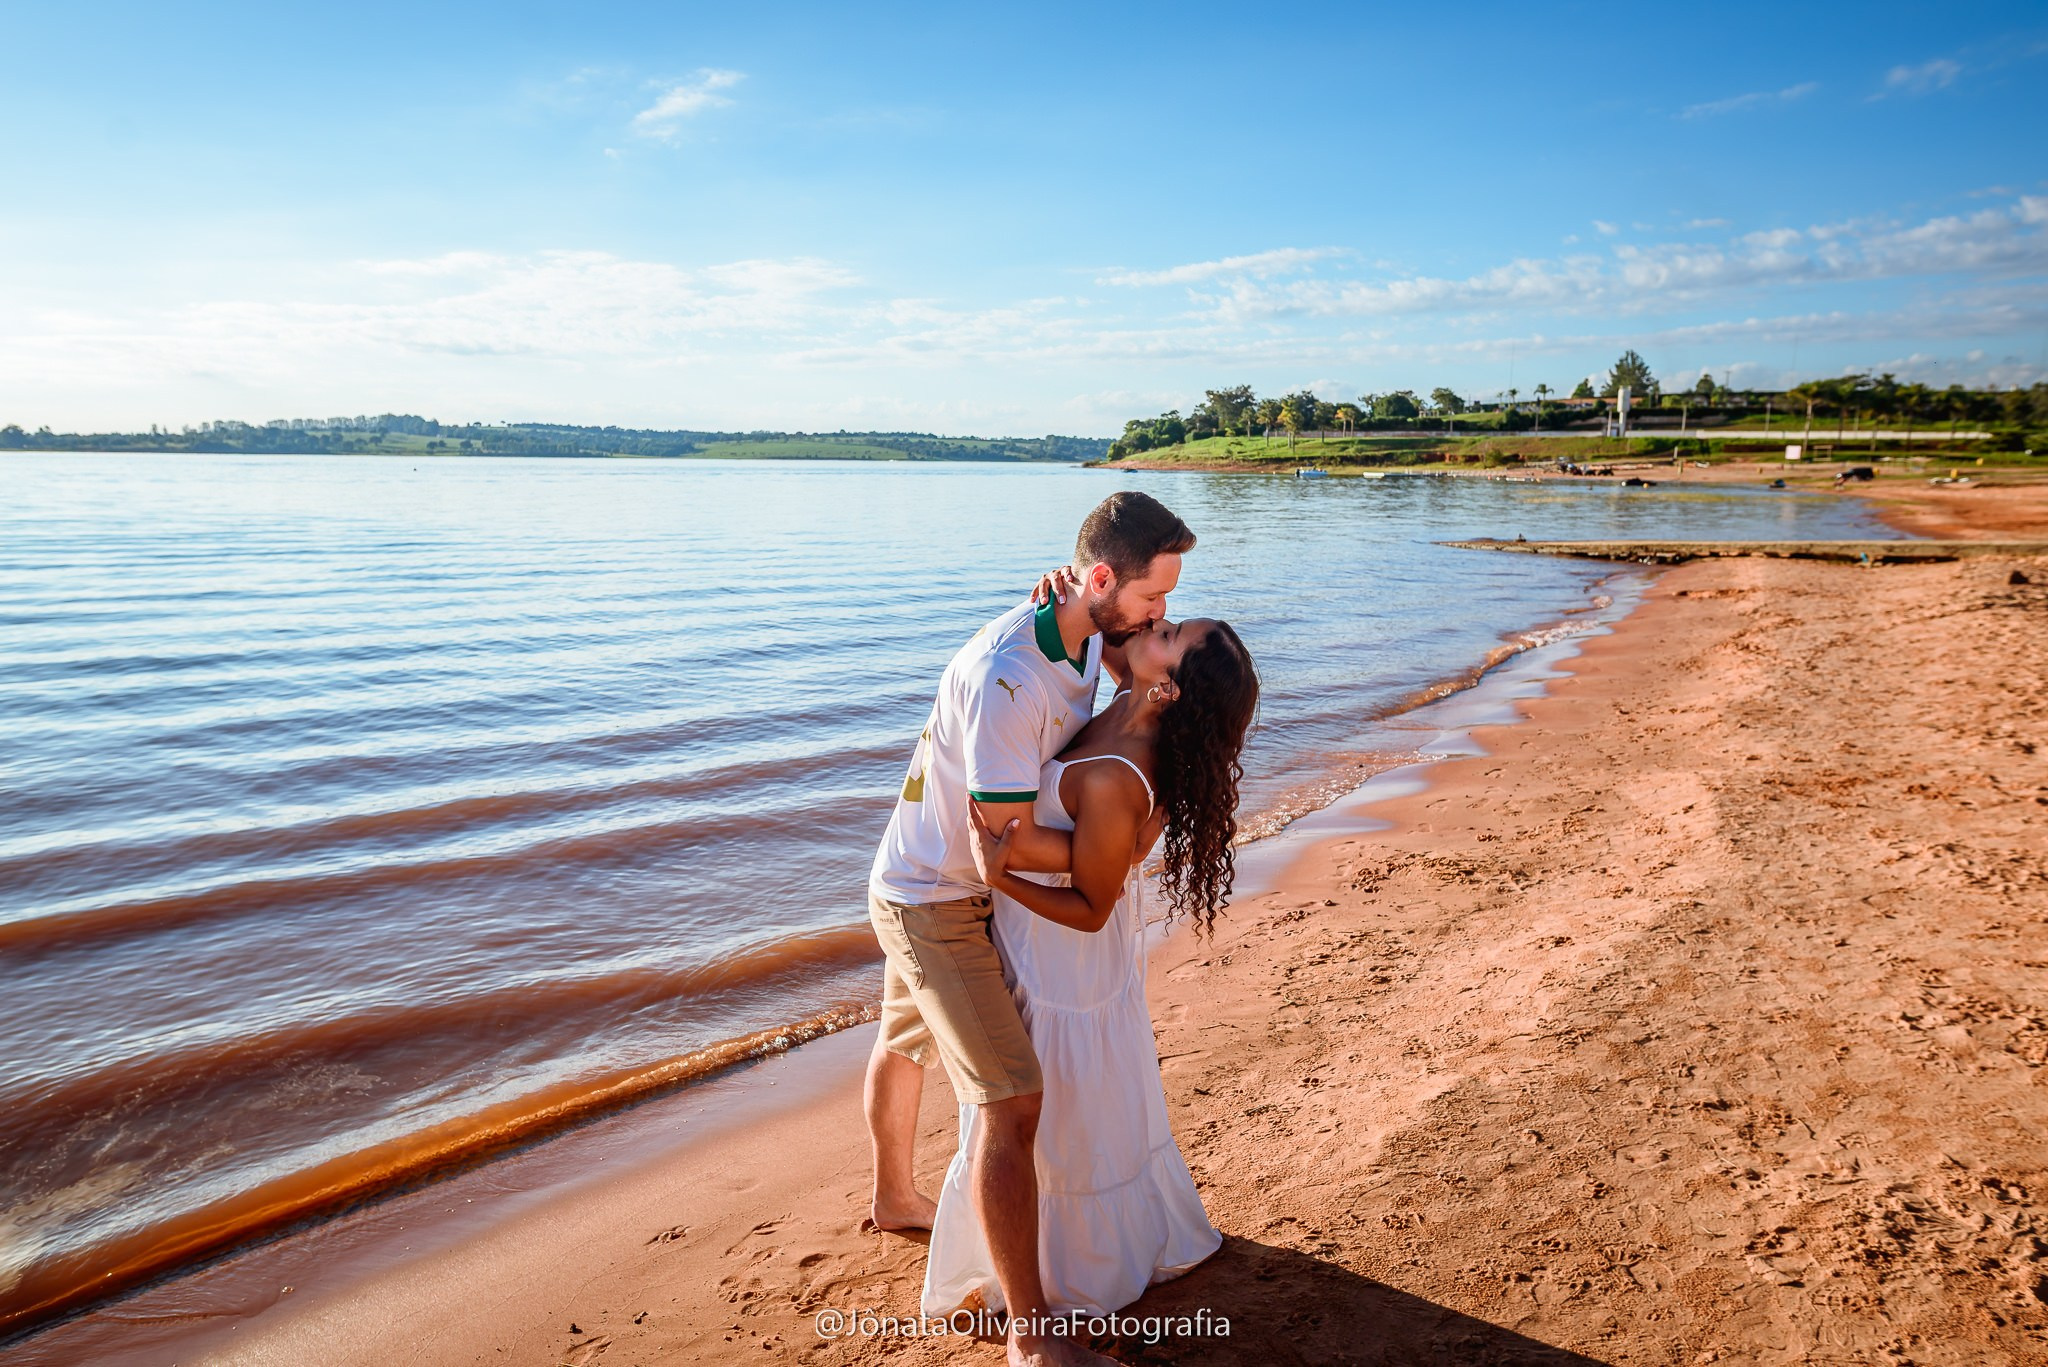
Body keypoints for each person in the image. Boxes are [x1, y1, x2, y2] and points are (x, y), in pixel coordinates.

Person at [865, 491, 1195, 1367]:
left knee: (906, 1035)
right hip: (935, 895)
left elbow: (1102, 695)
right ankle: (1032, 1336)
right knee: (1012, 1100)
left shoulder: (1088, 632)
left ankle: (894, 1197)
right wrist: (1115, 846)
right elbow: (1002, 846)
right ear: (1100, 578)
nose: (1162, 612)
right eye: (1155, 597)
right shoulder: (1010, 677)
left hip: (919, 866)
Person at [922, 615, 1259, 1320]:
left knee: (1058, 1115)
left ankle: (1071, 1268)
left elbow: (1093, 904)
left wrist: (1000, 873)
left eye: (1171, 635)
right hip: (1044, 952)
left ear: (1166, 688)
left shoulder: (1116, 773)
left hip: (1063, 962)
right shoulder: (1125, 703)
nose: (1158, 621)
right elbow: (1089, 619)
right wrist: (1056, 592)